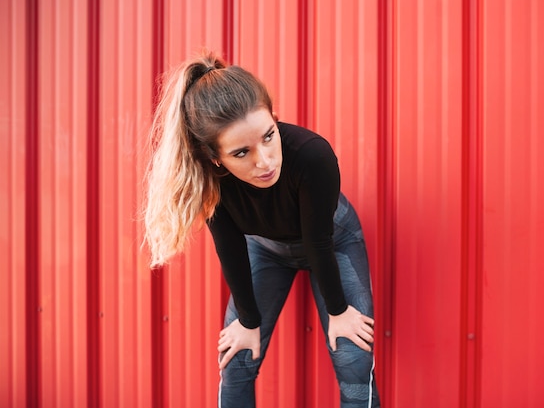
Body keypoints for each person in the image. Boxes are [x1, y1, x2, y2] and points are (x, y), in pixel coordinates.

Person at [143, 51, 380, 408]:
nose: (265, 161)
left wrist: (338, 312)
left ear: (274, 118)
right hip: (266, 249)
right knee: (237, 356)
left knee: (353, 357)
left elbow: (318, 241)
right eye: (242, 153)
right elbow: (231, 247)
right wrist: (248, 321)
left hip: (332, 241)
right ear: (214, 158)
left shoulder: (312, 155)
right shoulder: (209, 182)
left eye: (269, 136)